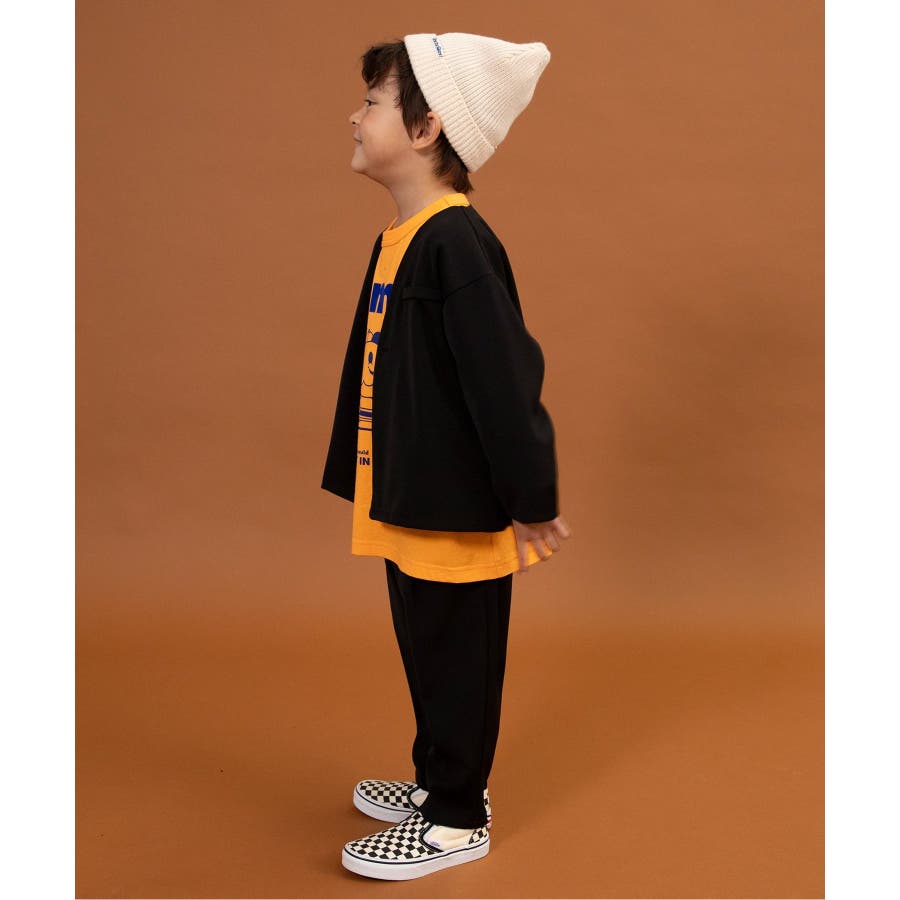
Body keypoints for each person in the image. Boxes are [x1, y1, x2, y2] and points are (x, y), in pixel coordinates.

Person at [321, 32, 572, 881]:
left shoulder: (456, 242)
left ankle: (457, 818)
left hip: (455, 508)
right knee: (427, 646)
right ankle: (436, 781)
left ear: (427, 129)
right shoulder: (406, 237)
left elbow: (504, 378)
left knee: (457, 656)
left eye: (373, 103)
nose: (355, 117)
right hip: (414, 497)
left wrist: (530, 499)